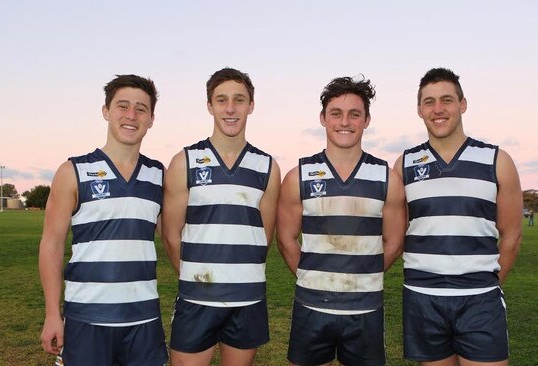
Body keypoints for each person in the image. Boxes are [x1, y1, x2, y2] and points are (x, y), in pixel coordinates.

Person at [393, 67, 523, 366]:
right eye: (429, 102)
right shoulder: (405, 164)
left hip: (480, 298)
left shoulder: (497, 160)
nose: (438, 109)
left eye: (447, 100)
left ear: (462, 104)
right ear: (419, 110)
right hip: (423, 295)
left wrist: (485, 283)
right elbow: (396, 234)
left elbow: (512, 234)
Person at [276, 76, 407, 366]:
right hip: (311, 306)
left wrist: (362, 275)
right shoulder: (298, 176)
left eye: (354, 114)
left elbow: (395, 242)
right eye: (336, 113)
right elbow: (285, 239)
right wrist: (312, 277)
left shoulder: (388, 178)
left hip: (365, 309)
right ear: (323, 118)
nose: (344, 121)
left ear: (366, 120)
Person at [39, 74, 168, 365]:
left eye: (141, 109)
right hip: (86, 318)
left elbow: (174, 235)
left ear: (151, 119)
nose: (131, 115)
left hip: (143, 319)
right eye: (122, 106)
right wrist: (51, 314)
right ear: (106, 111)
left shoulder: (160, 175)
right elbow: (52, 244)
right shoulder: (73, 171)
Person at [162, 67, 281, 366]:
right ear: (209, 106)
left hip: (247, 299)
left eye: (239, 100)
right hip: (197, 298)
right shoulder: (184, 162)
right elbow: (170, 234)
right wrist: (198, 278)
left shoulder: (267, 167)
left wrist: (237, 274)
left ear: (251, 105)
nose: (230, 108)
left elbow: (263, 236)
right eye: (222, 100)